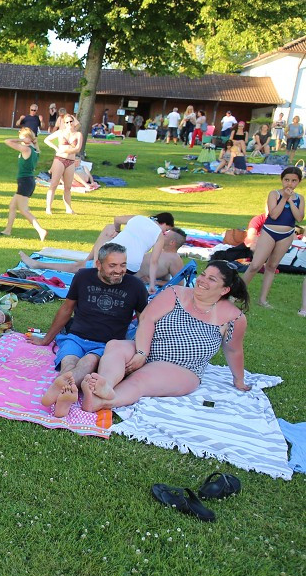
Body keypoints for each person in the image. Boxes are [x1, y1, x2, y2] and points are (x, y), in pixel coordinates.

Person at [80, 260, 250, 412]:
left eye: (212, 279)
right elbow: (147, 319)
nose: (202, 280)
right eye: (203, 274)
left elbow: (233, 350)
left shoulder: (234, 317)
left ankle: (99, 402)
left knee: (143, 377)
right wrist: (142, 353)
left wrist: (239, 380)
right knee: (115, 346)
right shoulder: (175, 293)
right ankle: (105, 385)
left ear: (225, 289)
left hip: (182, 368)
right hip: (146, 348)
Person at [32, 242, 148, 417]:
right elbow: (66, 309)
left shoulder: (136, 286)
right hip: (76, 337)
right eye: (112, 265)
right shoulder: (83, 277)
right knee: (69, 361)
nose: (119, 270)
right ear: (98, 264)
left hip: (106, 344)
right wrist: (46, 339)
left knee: (88, 363)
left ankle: (59, 389)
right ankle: (66, 393)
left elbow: (144, 322)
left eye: (123, 264)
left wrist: (142, 352)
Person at [20, 213, 181, 291]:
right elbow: (153, 261)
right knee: (83, 265)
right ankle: (89, 261)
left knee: (107, 230)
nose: (167, 234)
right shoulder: (159, 237)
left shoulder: (138, 218)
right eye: (168, 229)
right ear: (164, 224)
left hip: (110, 258)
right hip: (128, 268)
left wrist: (116, 231)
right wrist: (152, 284)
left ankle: (88, 261)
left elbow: (117, 219)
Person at [241, 167, 304, 308]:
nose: (289, 183)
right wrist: (285, 199)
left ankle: (262, 299)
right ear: (282, 180)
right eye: (287, 180)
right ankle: (237, 293)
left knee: (272, 266)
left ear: (299, 182)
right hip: (269, 231)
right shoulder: (274, 194)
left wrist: (292, 202)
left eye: (294, 181)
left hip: (287, 234)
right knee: (255, 265)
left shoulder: (300, 198)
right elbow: (274, 214)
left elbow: (299, 218)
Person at [0, 127, 46, 241]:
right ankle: (8, 230)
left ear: (28, 138)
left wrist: (21, 140)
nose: (21, 139)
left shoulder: (27, 149)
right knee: (12, 206)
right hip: (26, 181)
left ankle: (40, 230)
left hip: (25, 181)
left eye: (23, 137)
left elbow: (7, 141)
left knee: (24, 210)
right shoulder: (34, 149)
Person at [43, 113, 82, 215]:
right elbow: (47, 140)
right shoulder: (60, 132)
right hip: (59, 160)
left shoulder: (78, 134)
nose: (69, 123)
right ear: (64, 123)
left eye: (71, 121)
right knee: (54, 185)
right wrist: (57, 148)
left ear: (74, 122)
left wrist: (66, 150)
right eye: (67, 122)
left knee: (68, 187)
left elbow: (77, 149)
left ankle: (69, 209)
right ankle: (48, 208)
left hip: (71, 162)